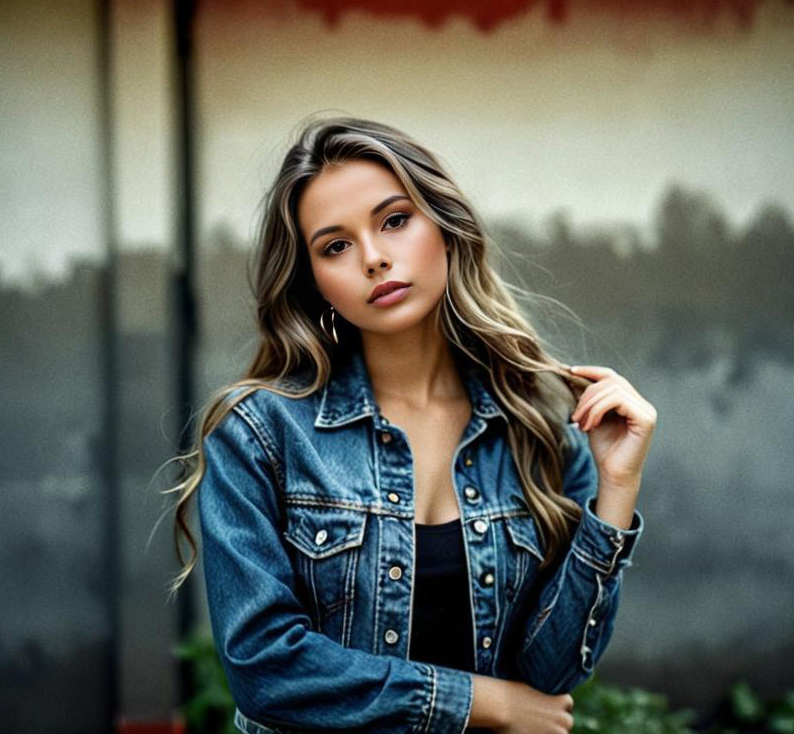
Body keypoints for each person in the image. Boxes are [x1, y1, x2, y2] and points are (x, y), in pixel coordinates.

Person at [165, 115, 657, 734]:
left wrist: (615, 492)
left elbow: (550, 677)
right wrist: (486, 704)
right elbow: (266, 670)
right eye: (335, 245)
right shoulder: (261, 433)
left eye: (395, 220)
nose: (374, 258)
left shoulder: (541, 427)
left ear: (446, 230)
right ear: (315, 282)